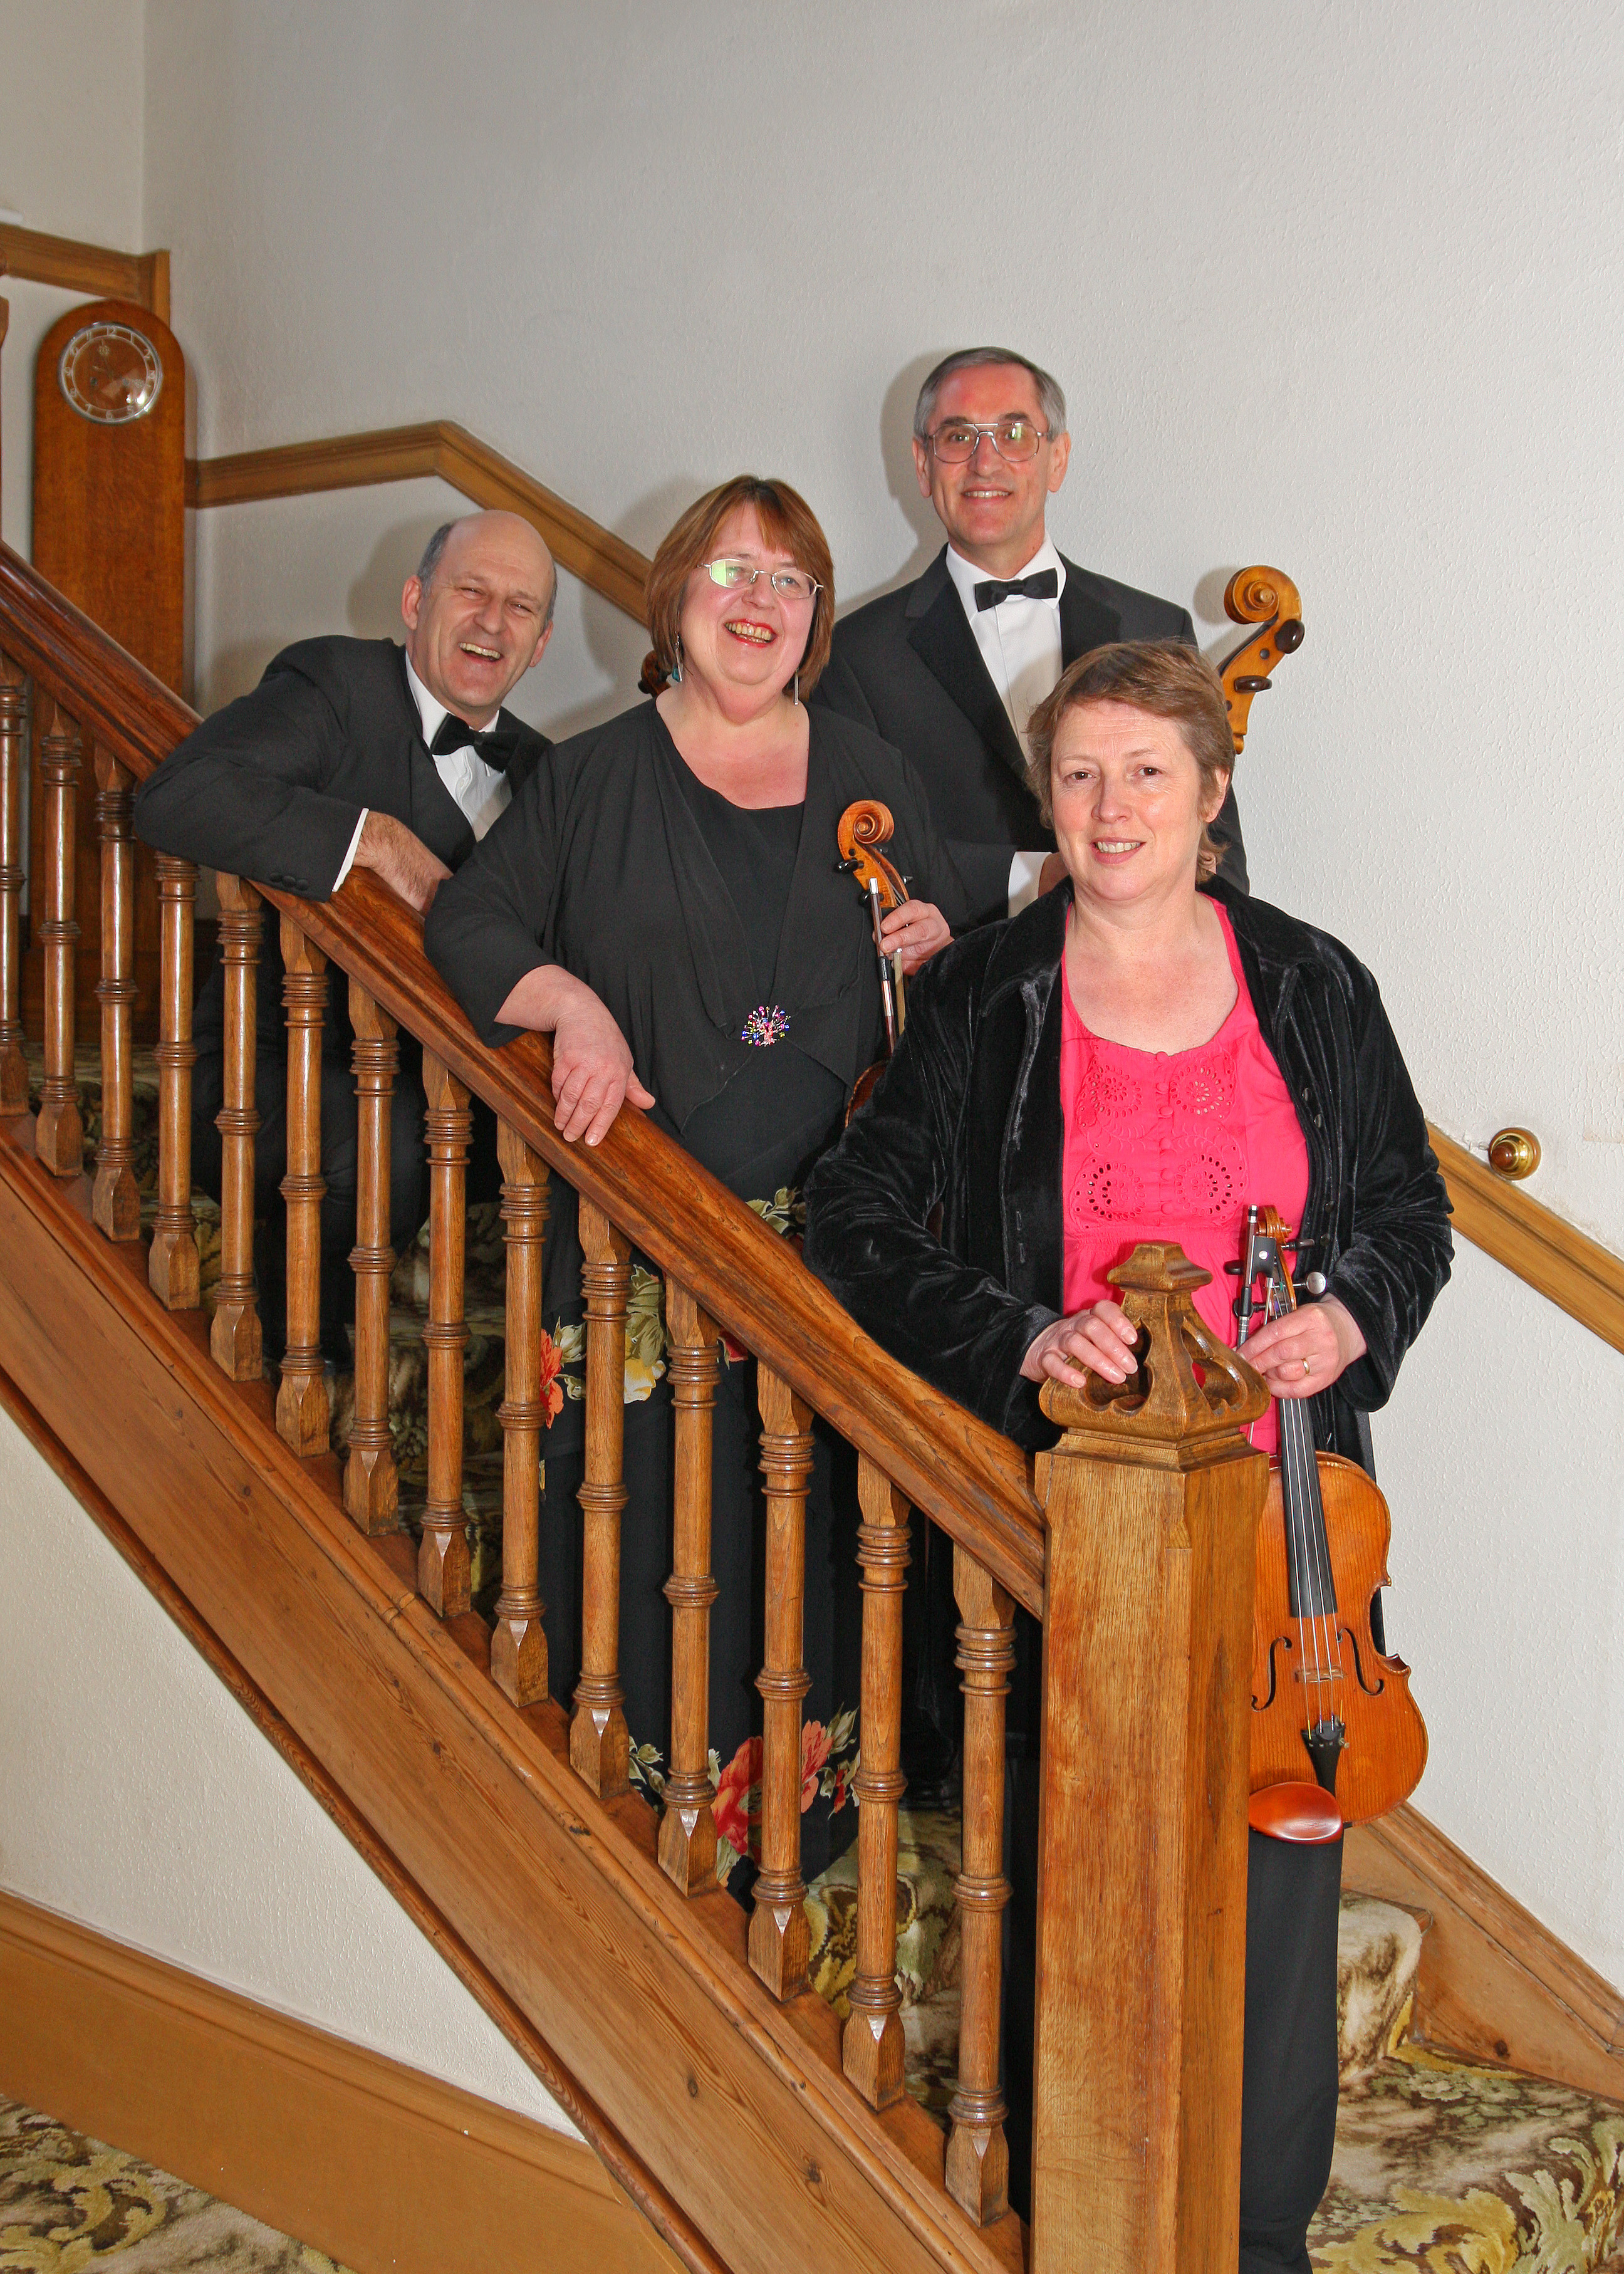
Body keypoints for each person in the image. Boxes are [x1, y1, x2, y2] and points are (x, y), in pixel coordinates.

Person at [803, 641, 1452, 2270]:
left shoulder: (1313, 979)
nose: (1111, 805)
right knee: (1079, 1874)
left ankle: (1258, 2235)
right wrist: (1024, 1335)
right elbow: (857, 1218)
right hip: (1072, 1507)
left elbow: (1408, 1208)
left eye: (1147, 770)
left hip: (1290, 1510)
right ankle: (1082, 2212)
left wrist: (1349, 1313)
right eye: (1080, 771)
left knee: (1280, 1882)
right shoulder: (985, 994)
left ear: (1211, 792)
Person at [425, 475, 967, 1880]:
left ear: (816, 615)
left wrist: (936, 945)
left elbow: (938, 1003)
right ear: (675, 598)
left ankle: (794, 1843)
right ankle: (624, 1838)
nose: (757, 600)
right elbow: (471, 920)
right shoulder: (592, 775)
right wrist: (569, 1005)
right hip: (637, 1243)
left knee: (814, 1551)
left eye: (788, 579)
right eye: (730, 571)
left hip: (825, 1259)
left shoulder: (873, 771)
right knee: (641, 1534)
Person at [133, 510, 557, 1362]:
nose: (492, 621)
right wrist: (376, 839)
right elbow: (180, 796)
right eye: (471, 590)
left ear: (541, 644)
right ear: (415, 600)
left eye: (521, 607)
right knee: (376, 1134)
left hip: (455, 1101)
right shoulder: (336, 684)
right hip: (265, 1084)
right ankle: (303, 1362)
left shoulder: (548, 769)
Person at [814, 345, 1248, 926]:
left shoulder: (1155, 628)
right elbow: (852, 851)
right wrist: (1036, 875)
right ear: (922, 464)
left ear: (1058, 459)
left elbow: (1218, 855)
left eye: (1013, 434)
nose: (984, 463)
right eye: (958, 437)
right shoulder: (855, 656)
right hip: (961, 974)